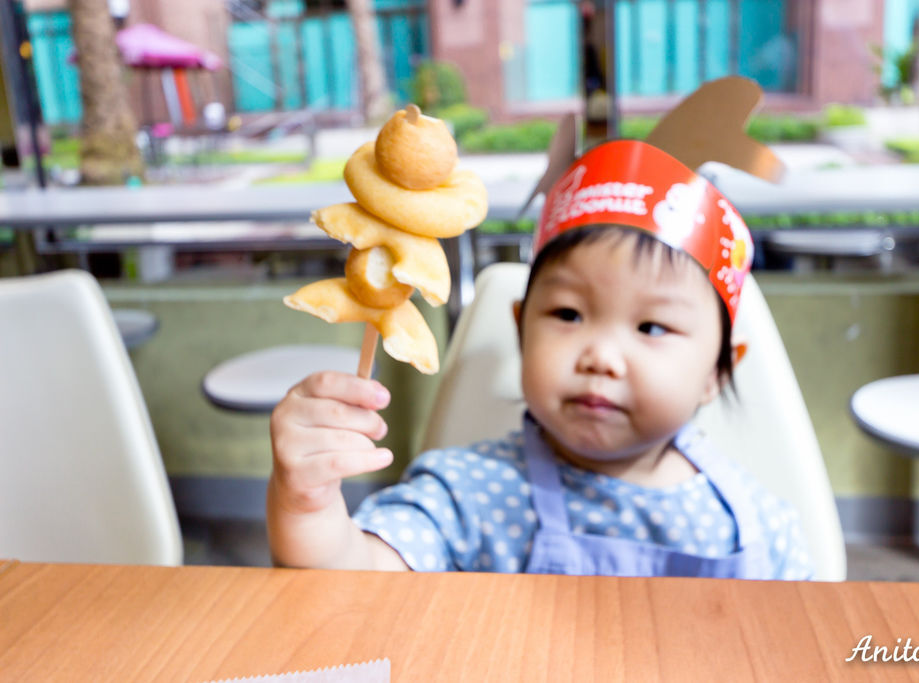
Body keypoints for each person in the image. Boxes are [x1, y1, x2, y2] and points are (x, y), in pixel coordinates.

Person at [267, 139, 815, 579]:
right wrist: (306, 504)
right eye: (569, 315)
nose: (601, 356)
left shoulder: (760, 530)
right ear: (520, 329)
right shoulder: (467, 493)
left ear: (717, 374)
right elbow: (350, 580)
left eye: (651, 326)